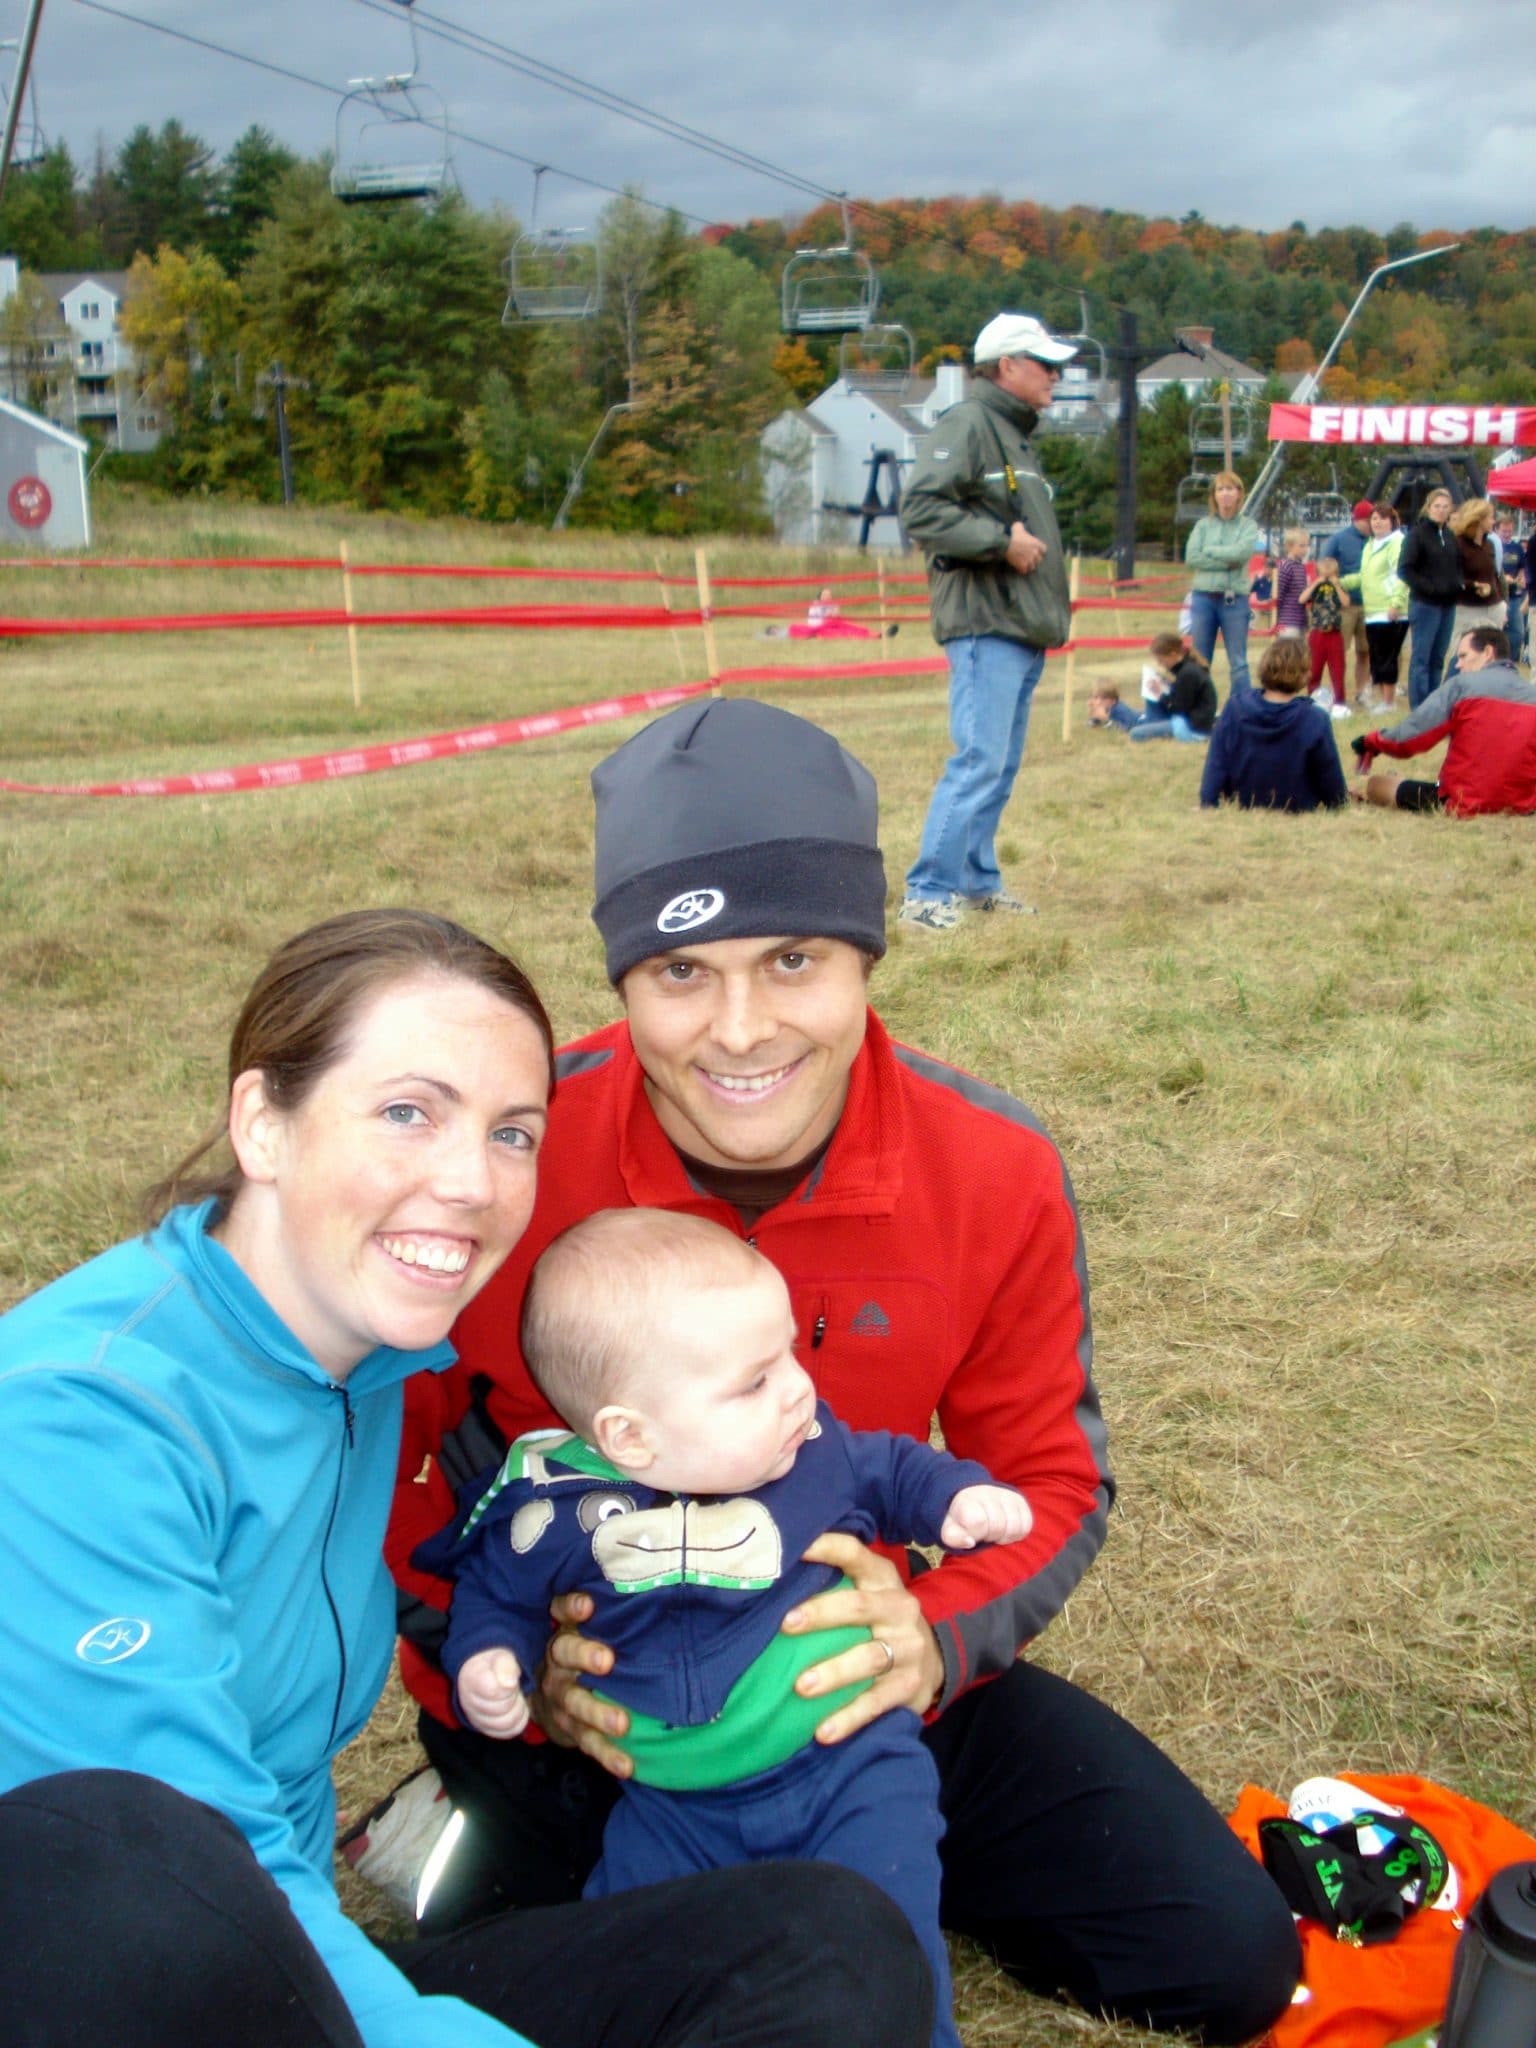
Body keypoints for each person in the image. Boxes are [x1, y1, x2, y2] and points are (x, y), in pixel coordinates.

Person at [384, 695, 1301, 2046]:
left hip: (872, 1699)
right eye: (682, 972)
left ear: (869, 952)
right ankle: (464, 1827)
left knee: (1227, 1963)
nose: (741, 1030)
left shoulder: (990, 1166)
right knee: (483, 1997)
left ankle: (867, 1867)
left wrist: (926, 1642)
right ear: (624, 979)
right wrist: (512, 1695)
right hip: (607, 1727)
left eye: (795, 958)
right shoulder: (509, 1160)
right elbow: (386, 1469)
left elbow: (1049, 1476)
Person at [0, 907, 933, 2048]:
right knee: (142, 1860)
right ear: (263, 1121)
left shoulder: (361, 1349)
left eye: (513, 1132)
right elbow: (189, 1879)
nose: (471, 1181)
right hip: (121, 1975)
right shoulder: (82, 1422)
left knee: (835, 1941)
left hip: (284, 1950)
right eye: (408, 1112)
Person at [420, 1208, 1032, 2048]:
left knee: (888, 1933)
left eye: (787, 1353)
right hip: (669, 1803)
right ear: (627, 1435)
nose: (796, 1389)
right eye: (753, 1381)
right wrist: (488, 1659)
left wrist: (957, 1496)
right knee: (640, 1944)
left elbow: (898, 1467)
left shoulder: (815, 1453)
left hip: (844, 1765)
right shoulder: (559, 1507)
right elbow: (497, 1589)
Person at [896, 310, 1076, 932]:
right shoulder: (970, 423)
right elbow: (921, 507)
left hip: (1020, 624)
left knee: (996, 765)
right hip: (987, 621)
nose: (1057, 374)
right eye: (1045, 363)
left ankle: (975, 883)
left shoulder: (1014, 434)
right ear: (1007, 366)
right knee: (977, 759)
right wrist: (1002, 541)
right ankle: (927, 892)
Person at [1351, 627, 1536, 815]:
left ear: (1488, 653)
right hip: (1524, 805)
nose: (1458, 665)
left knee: (1376, 785)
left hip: (1462, 801)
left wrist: (1372, 741)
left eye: (1463, 656)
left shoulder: (1461, 687)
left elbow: (1410, 737)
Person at [1200, 635, 1350, 811]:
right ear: (1304, 673)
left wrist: (1208, 801)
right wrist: (1339, 802)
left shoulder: (1235, 708)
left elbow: (1217, 762)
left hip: (1243, 800)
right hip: (1297, 804)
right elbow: (1329, 774)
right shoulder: (1314, 718)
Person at [1184, 470, 1262, 698]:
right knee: (1200, 658)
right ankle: (1200, 706)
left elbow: (1241, 553)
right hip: (1203, 598)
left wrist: (1210, 552)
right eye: (1220, 489)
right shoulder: (1202, 526)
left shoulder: (1248, 526)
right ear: (1214, 495)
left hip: (1234, 599)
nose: (1225, 494)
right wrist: (1225, 561)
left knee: (1238, 659)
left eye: (1230, 489)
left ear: (1239, 494)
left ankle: (1242, 707)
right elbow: (1192, 557)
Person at [1340, 503, 1409, 712]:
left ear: (1392, 521)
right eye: (1374, 519)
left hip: (1389, 609)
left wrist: (1396, 603)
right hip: (1372, 610)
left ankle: (1389, 702)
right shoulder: (1370, 545)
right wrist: (1339, 582)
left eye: (1382, 518)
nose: (1377, 522)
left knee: (1388, 656)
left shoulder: (1397, 542)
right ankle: (1383, 699)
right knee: (1377, 657)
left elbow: (1402, 574)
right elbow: (1365, 576)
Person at [1399, 486, 1462, 708]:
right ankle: (1419, 706)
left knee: (1438, 658)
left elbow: (1455, 566)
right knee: (1421, 659)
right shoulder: (1417, 535)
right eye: (1437, 506)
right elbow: (1405, 569)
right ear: (1428, 507)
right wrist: (1430, 588)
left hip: (1448, 605)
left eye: (1445, 507)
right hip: (1425, 604)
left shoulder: (1450, 535)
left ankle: (1434, 705)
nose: (1441, 510)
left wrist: (1458, 585)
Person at [1324, 500, 1376, 695]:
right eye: (1369, 520)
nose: (1372, 525)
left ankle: (1362, 692)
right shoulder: (1338, 539)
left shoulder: (1376, 540)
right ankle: (1336, 692)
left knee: (1365, 651)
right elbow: (1324, 566)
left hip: (1369, 605)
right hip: (1345, 606)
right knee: (1339, 652)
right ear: (1359, 520)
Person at [1128, 630, 1217, 742]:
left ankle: (1144, 723)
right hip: (1190, 720)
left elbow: (1178, 708)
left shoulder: (1188, 674)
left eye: (1161, 660)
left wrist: (1160, 694)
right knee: (1150, 705)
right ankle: (1147, 723)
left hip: (1192, 727)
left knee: (1136, 734)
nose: (1160, 664)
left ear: (1173, 655)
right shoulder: (1188, 668)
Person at [1447, 497, 1507, 657]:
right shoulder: (1456, 544)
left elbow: (1495, 576)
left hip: (1494, 608)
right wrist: (1474, 585)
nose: (1493, 521)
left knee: (1491, 657)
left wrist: (1502, 603)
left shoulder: (1490, 545)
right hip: (1466, 609)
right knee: (1462, 657)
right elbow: (1451, 578)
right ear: (1478, 519)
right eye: (1491, 517)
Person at [1300, 554, 1351, 716]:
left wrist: (1336, 585)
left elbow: (1346, 603)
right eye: (1324, 574)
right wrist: (1316, 582)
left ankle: (1339, 702)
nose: (1327, 578)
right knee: (1314, 669)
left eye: (1331, 575)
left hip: (1334, 633)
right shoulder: (1314, 587)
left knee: (1337, 669)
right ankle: (1312, 700)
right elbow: (1302, 599)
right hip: (1317, 633)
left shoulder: (1339, 587)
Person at [1493, 510, 1526, 663]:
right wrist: (1503, 578)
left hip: (1514, 596)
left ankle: (1510, 661)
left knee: (1517, 632)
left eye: (1510, 531)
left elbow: (1522, 566)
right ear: (1496, 529)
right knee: (1496, 631)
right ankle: (1495, 660)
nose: (1507, 534)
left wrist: (1520, 576)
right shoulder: (1493, 546)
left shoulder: (1517, 547)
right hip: (1497, 596)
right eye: (1504, 531)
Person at [1273, 526, 1312, 639]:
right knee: (1288, 653)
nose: (1305, 549)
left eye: (1307, 545)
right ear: (1290, 546)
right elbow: (1279, 593)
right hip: (1287, 621)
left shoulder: (1300, 567)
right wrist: (1278, 619)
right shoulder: (1286, 566)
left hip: (1300, 620)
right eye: (1301, 546)